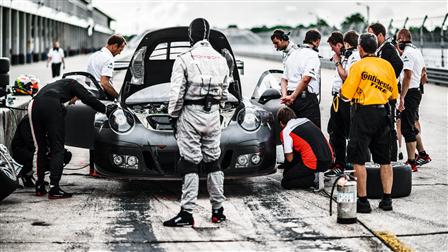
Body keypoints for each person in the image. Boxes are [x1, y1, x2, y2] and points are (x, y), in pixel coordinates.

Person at [164, 18, 230, 227]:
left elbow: (177, 94)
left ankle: (187, 213)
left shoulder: (184, 58)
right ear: (208, 35)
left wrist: (173, 115)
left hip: (190, 114)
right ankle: (218, 211)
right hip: (213, 115)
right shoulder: (221, 59)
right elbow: (225, 93)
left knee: (190, 162)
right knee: (213, 161)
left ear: (191, 36)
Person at [29, 78, 116, 199]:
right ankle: (54, 188)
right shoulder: (74, 84)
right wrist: (106, 109)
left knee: (40, 148)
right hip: (51, 105)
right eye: (77, 99)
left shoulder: (56, 85)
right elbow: (88, 99)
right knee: (57, 149)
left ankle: (39, 186)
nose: (75, 102)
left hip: (34, 104)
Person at [341, 33, 398, 213]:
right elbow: (393, 95)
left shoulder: (358, 66)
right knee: (385, 160)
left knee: (359, 159)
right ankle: (387, 200)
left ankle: (363, 201)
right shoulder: (387, 66)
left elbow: (345, 95)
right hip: (383, 113)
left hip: (363, 114)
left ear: (360, 48)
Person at [395, 28, 430, 171]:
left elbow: (407, 76)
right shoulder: (416, 51)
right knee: (412, 125)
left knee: (406, 128)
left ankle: (411, 162)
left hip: (409, 93)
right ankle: (422, 154)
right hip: (415, 92)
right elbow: (424, 73)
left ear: (403, 38)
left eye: (398, 39)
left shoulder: (408, 53)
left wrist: (402, 97)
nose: (397, 43)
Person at [326, 31, 360, 175]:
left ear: (341, 45)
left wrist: (337, 62)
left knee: (351, 133)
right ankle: (339, 163)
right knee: (334, 131)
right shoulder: (345, 56)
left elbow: (346, 77)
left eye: (333, 47)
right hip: (337, 98)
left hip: (348, 100)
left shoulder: (354, 56)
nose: (332, 50)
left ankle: (353, 164)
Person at [368, 23, 403, 162]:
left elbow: (398, 66)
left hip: (388, 95)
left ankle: (392, 159)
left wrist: (387, 83)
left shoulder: (387, 49)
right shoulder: (378, 50)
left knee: (389, 128)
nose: (370, 38)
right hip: (380, 95)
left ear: (380, 35)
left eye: (372, 35)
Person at [277, 107, 332, 190]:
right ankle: (318, 174)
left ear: (281, 123)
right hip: (329, 159)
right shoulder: (306, 120)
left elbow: (290, 158)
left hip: (315, 163)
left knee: (286, 182)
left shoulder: (286, 131)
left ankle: (314, 178)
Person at [11, 115, 73, 188]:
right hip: (22, 150)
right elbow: (29, 141)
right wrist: (46, 150)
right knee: (42, 158)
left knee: (64, 155)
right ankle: (26, 174)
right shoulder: (27, 121)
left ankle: (37, 176)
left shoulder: (44, 121)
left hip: (36, 148)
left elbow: (48, 139)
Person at [281, 29, 322, 128]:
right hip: (305, 100)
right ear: (317, 41)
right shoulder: (312, 55)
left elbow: (283, 79)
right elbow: (306, 79)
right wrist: (293, 97)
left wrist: (285, 97)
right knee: (312, 134)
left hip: (290, 100)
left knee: (294, 132)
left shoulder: (293, 54)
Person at [86, 34, 126, 100]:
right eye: (120, 50)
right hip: (102, 96)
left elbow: (87, 80)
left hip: (90, 93)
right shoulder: (108, 59)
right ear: (115, 46)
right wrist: (118, 97)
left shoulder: (93, 56)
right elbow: (104, 83)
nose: (119, 53)